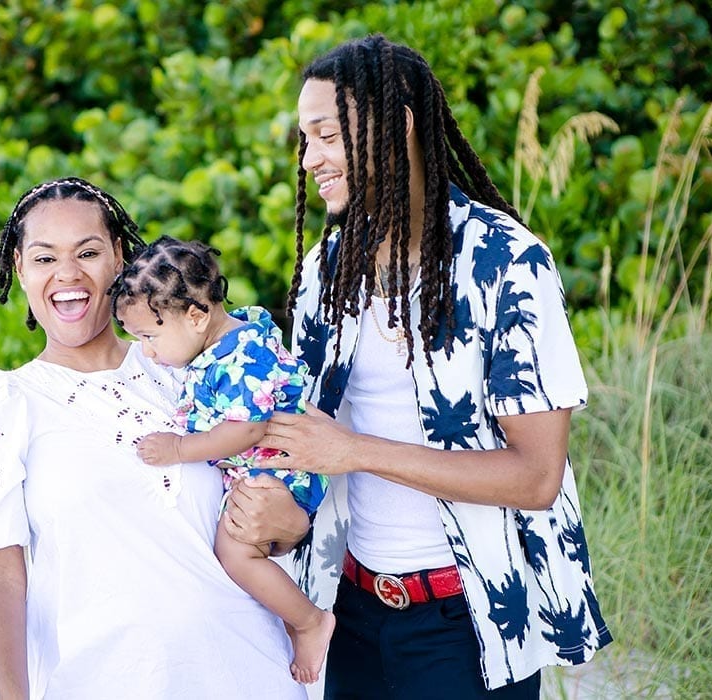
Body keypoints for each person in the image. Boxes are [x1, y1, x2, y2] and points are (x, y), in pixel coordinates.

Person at [256, 35, 613, 698]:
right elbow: (303, 439)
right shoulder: (325, 272)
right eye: (305, 141)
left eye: (327, 135)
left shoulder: (506, 264)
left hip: (468, 625)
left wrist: (355, 451)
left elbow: (536, 477)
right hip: (352, 615)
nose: (311, 160)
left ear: (399, 125)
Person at [0, 177, 310, 699]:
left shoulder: (196, 370)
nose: (68, 274)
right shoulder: (2, 404)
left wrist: (293, 525)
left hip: (250, 673)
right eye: (44, 258)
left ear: (118, 256)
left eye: (87, 252)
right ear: (19, 269)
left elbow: (283, 484)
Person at [109, 235, 336, 684]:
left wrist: (178, 449)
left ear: (196, 316)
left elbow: (245, 430)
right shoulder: (221, 345)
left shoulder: (242, 356)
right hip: (262, 469)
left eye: (150, 337)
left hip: (279, 472)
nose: (147, 352)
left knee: (235, 554)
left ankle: (310, 621)